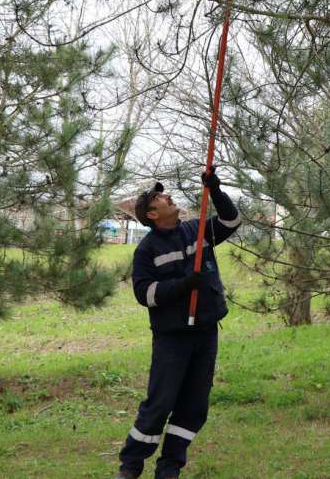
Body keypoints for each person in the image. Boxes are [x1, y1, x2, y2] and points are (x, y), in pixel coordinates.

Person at [116, 167, 241, 479]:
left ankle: (170, 467)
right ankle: (131, 466)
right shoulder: (146, 251)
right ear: (153, 213)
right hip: (173, 338)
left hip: (205, 332)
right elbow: (145, 294)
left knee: (195, 406)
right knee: (160, 404)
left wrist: (215, 190)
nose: (169, 196)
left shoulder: (195, 230)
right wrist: (184, 286)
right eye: (161, 197)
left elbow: (231, 221)